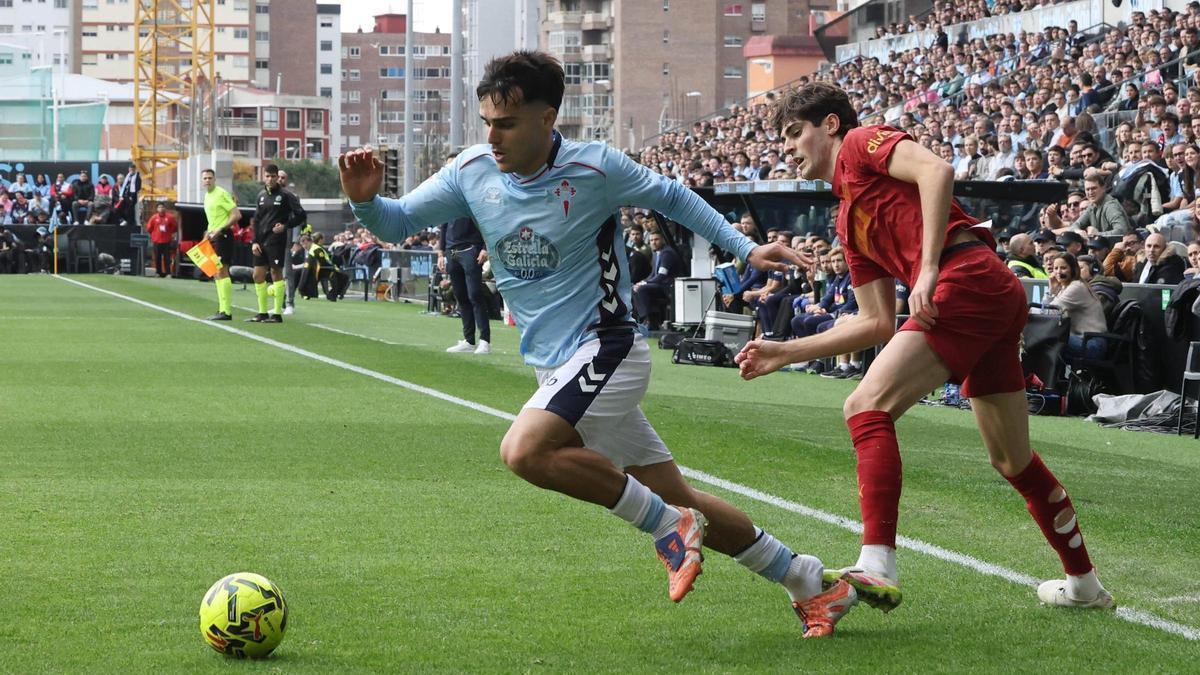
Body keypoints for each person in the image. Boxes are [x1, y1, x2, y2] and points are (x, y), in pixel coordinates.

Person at [339, 51, 894, 638]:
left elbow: (673, 198)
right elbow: (396, 223)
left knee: (524, 452)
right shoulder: (471, 171)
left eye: (505, 123)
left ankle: (666, 526)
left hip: (608, 348)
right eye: (486, 123)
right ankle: (811, 582)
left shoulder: (596, 168)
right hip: (557, 366)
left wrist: (745, 247)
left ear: (547, 117)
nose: (492, 136)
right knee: (682, 497)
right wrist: (364, 199)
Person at [736, 82, 1112, 610]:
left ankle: (877, 562)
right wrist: (783, 351)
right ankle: (1085, 586)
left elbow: (937, 170)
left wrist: (929, 267)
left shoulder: (863, 142)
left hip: (966, 279)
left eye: (795, 133)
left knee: (864, 406)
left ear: (830, 126)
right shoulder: (846, 219)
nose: (788, 147)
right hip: (988, 292)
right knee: (1012, 459)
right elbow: (874, 323)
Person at [437, 159, 492, 354]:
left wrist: (485, 247)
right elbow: (443, 226)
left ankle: (485, 340)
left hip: (471, 248)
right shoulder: (448, 197)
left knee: (475, 294)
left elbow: (486, 222)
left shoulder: (475, 193)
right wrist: (440, 252)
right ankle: (469, 340)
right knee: (460, 296)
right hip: (452, 250)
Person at [247, 163, 306, 323]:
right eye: (268, 176)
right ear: (263, 177)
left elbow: (301, 215)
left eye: (273, 176)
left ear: (277, 178)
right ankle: (262, 312)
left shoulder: (286, 195)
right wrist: (254, 241)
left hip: (277, 241)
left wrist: (286, 226)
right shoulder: (260, 196)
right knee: (257, 275)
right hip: (261, 242)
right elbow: (257, 220)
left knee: (275, 273)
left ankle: (277, 314)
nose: (271, 179)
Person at [1046, 253, 1109, 360]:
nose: (1058, 272)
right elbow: (1047, 311)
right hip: (1083, 340)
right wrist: (1052, 291)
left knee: (1047, 338)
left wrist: (1051, 294)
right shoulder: (1065, 287)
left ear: (1073, 269)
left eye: (1063, 268)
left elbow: (1050, 311)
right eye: (1055, 268)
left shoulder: (1076, 287)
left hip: (1092, 343)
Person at [202, 168, 242, 321]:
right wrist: (207, 234)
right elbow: (212, 220)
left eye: (210, 178)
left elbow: (236, 214)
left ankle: (226, 311)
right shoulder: (207, 196)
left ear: (214, 179)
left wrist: (221, 229)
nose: (207, 180)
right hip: (213, 236)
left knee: (221, 271)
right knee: (215, 272)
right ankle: (222, 308)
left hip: (223, 236)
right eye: (205, 178)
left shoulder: (221, 193)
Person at [631, 231, 681, 330]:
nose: (653, 242)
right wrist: (641, 282)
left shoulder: (667, 253)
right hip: (659, 285)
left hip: (668, 287)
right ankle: (646, 319)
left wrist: (645, 283)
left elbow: (662, 275)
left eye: (656, 239)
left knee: (642, 289)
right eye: (651, 240)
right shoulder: (657, 253)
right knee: (635, 287)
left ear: (662, 240)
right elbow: (653, 274)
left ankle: (647, 320)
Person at [145, 202, 178, 278]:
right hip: (157, 241)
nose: (161, 209)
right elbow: (149, 228)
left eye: (162, 207)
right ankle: (158, 272)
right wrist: (154, 235)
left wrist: (169, 233)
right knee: (157, 258)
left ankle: (168, 273)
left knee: (167, 258)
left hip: (167, 241)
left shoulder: (170, 217)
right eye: (159, 207)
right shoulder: (154, 218)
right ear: (157, 209)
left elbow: (174, 227)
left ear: (165, 208)